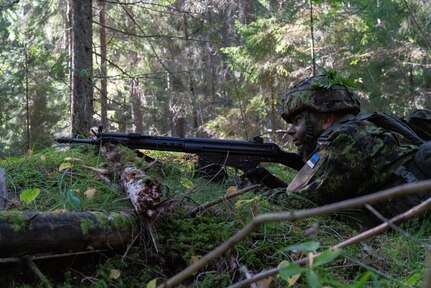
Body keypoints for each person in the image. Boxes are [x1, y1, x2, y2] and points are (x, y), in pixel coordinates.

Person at [246, 71, 431, 228]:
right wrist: (270, 180)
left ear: (326, 119)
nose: (290, 130)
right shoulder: (363, 128)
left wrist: (250, 188)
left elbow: (301, 206)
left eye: (297, 121)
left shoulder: (346, 139)